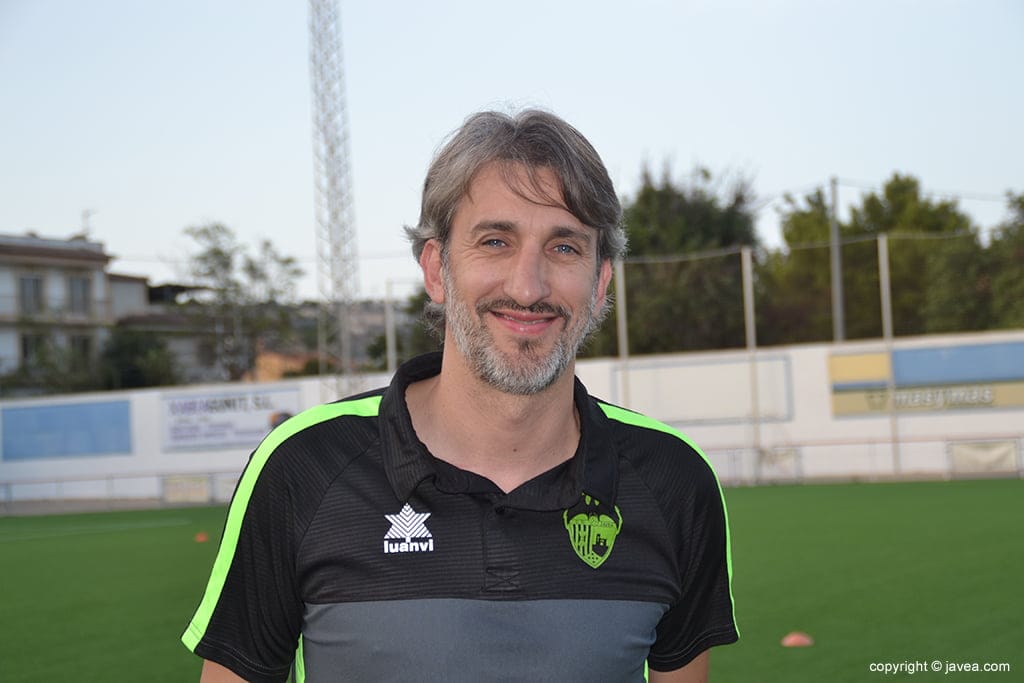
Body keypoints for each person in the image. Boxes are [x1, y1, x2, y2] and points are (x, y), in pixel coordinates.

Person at [182, 109, 738, 682]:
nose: (528, 286)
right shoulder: (301, 467)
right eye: (495, 241)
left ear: (599, 285)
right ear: (436, 269)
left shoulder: (673, 480)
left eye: (565, 247)